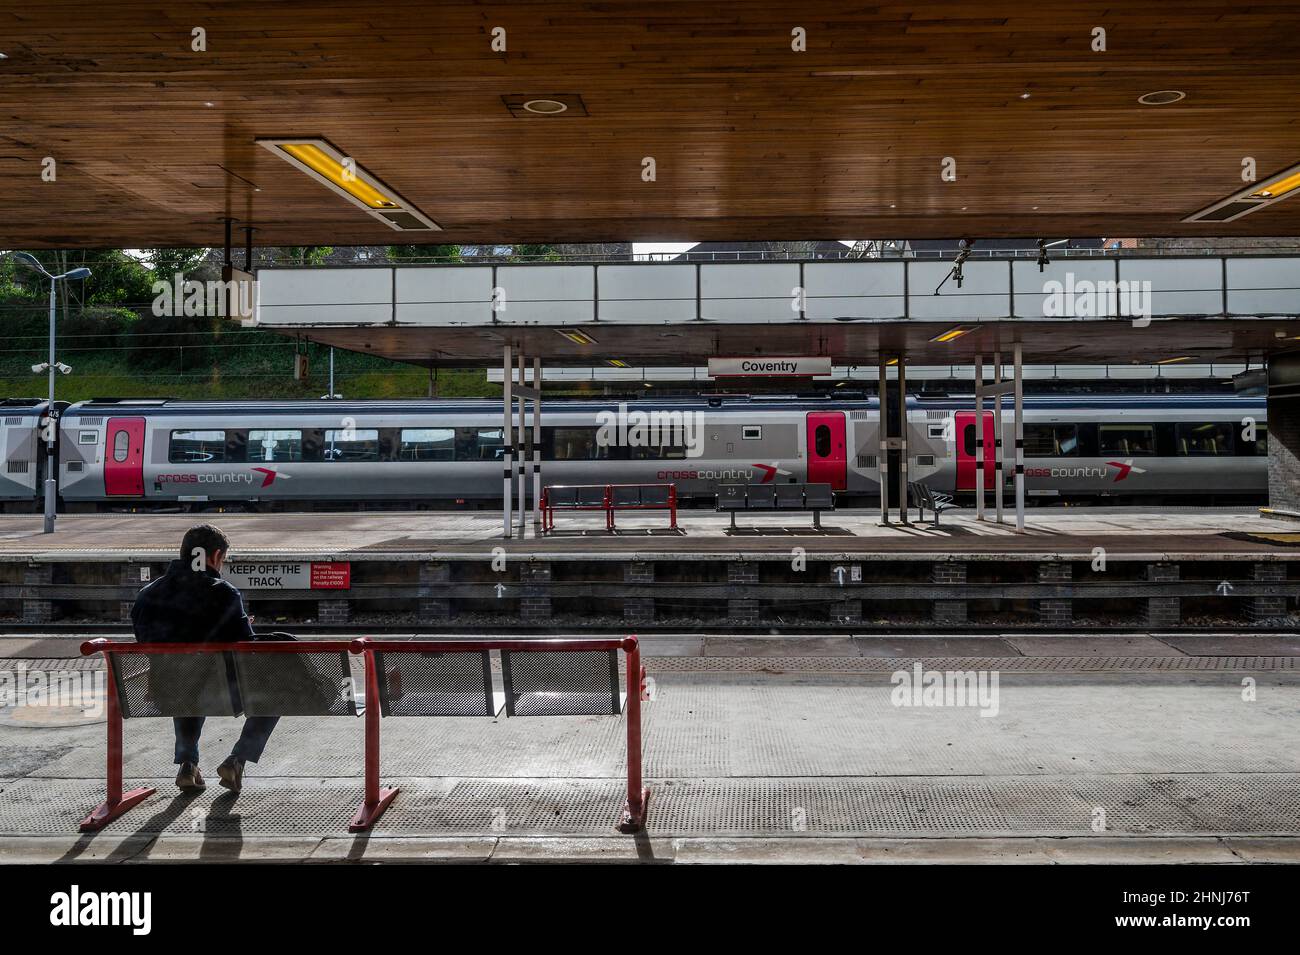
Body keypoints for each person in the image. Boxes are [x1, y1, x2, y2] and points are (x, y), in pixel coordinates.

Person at [130, 523, 277, 794]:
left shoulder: (147, 595)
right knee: (277, 688)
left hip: (166, 692)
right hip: (222, 694)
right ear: (216, 556)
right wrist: (241, 625)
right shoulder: (223, 593)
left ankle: (188, 764)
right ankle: (237, 761)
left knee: (184, 677)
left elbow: (149, 641)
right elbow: (247, 649)